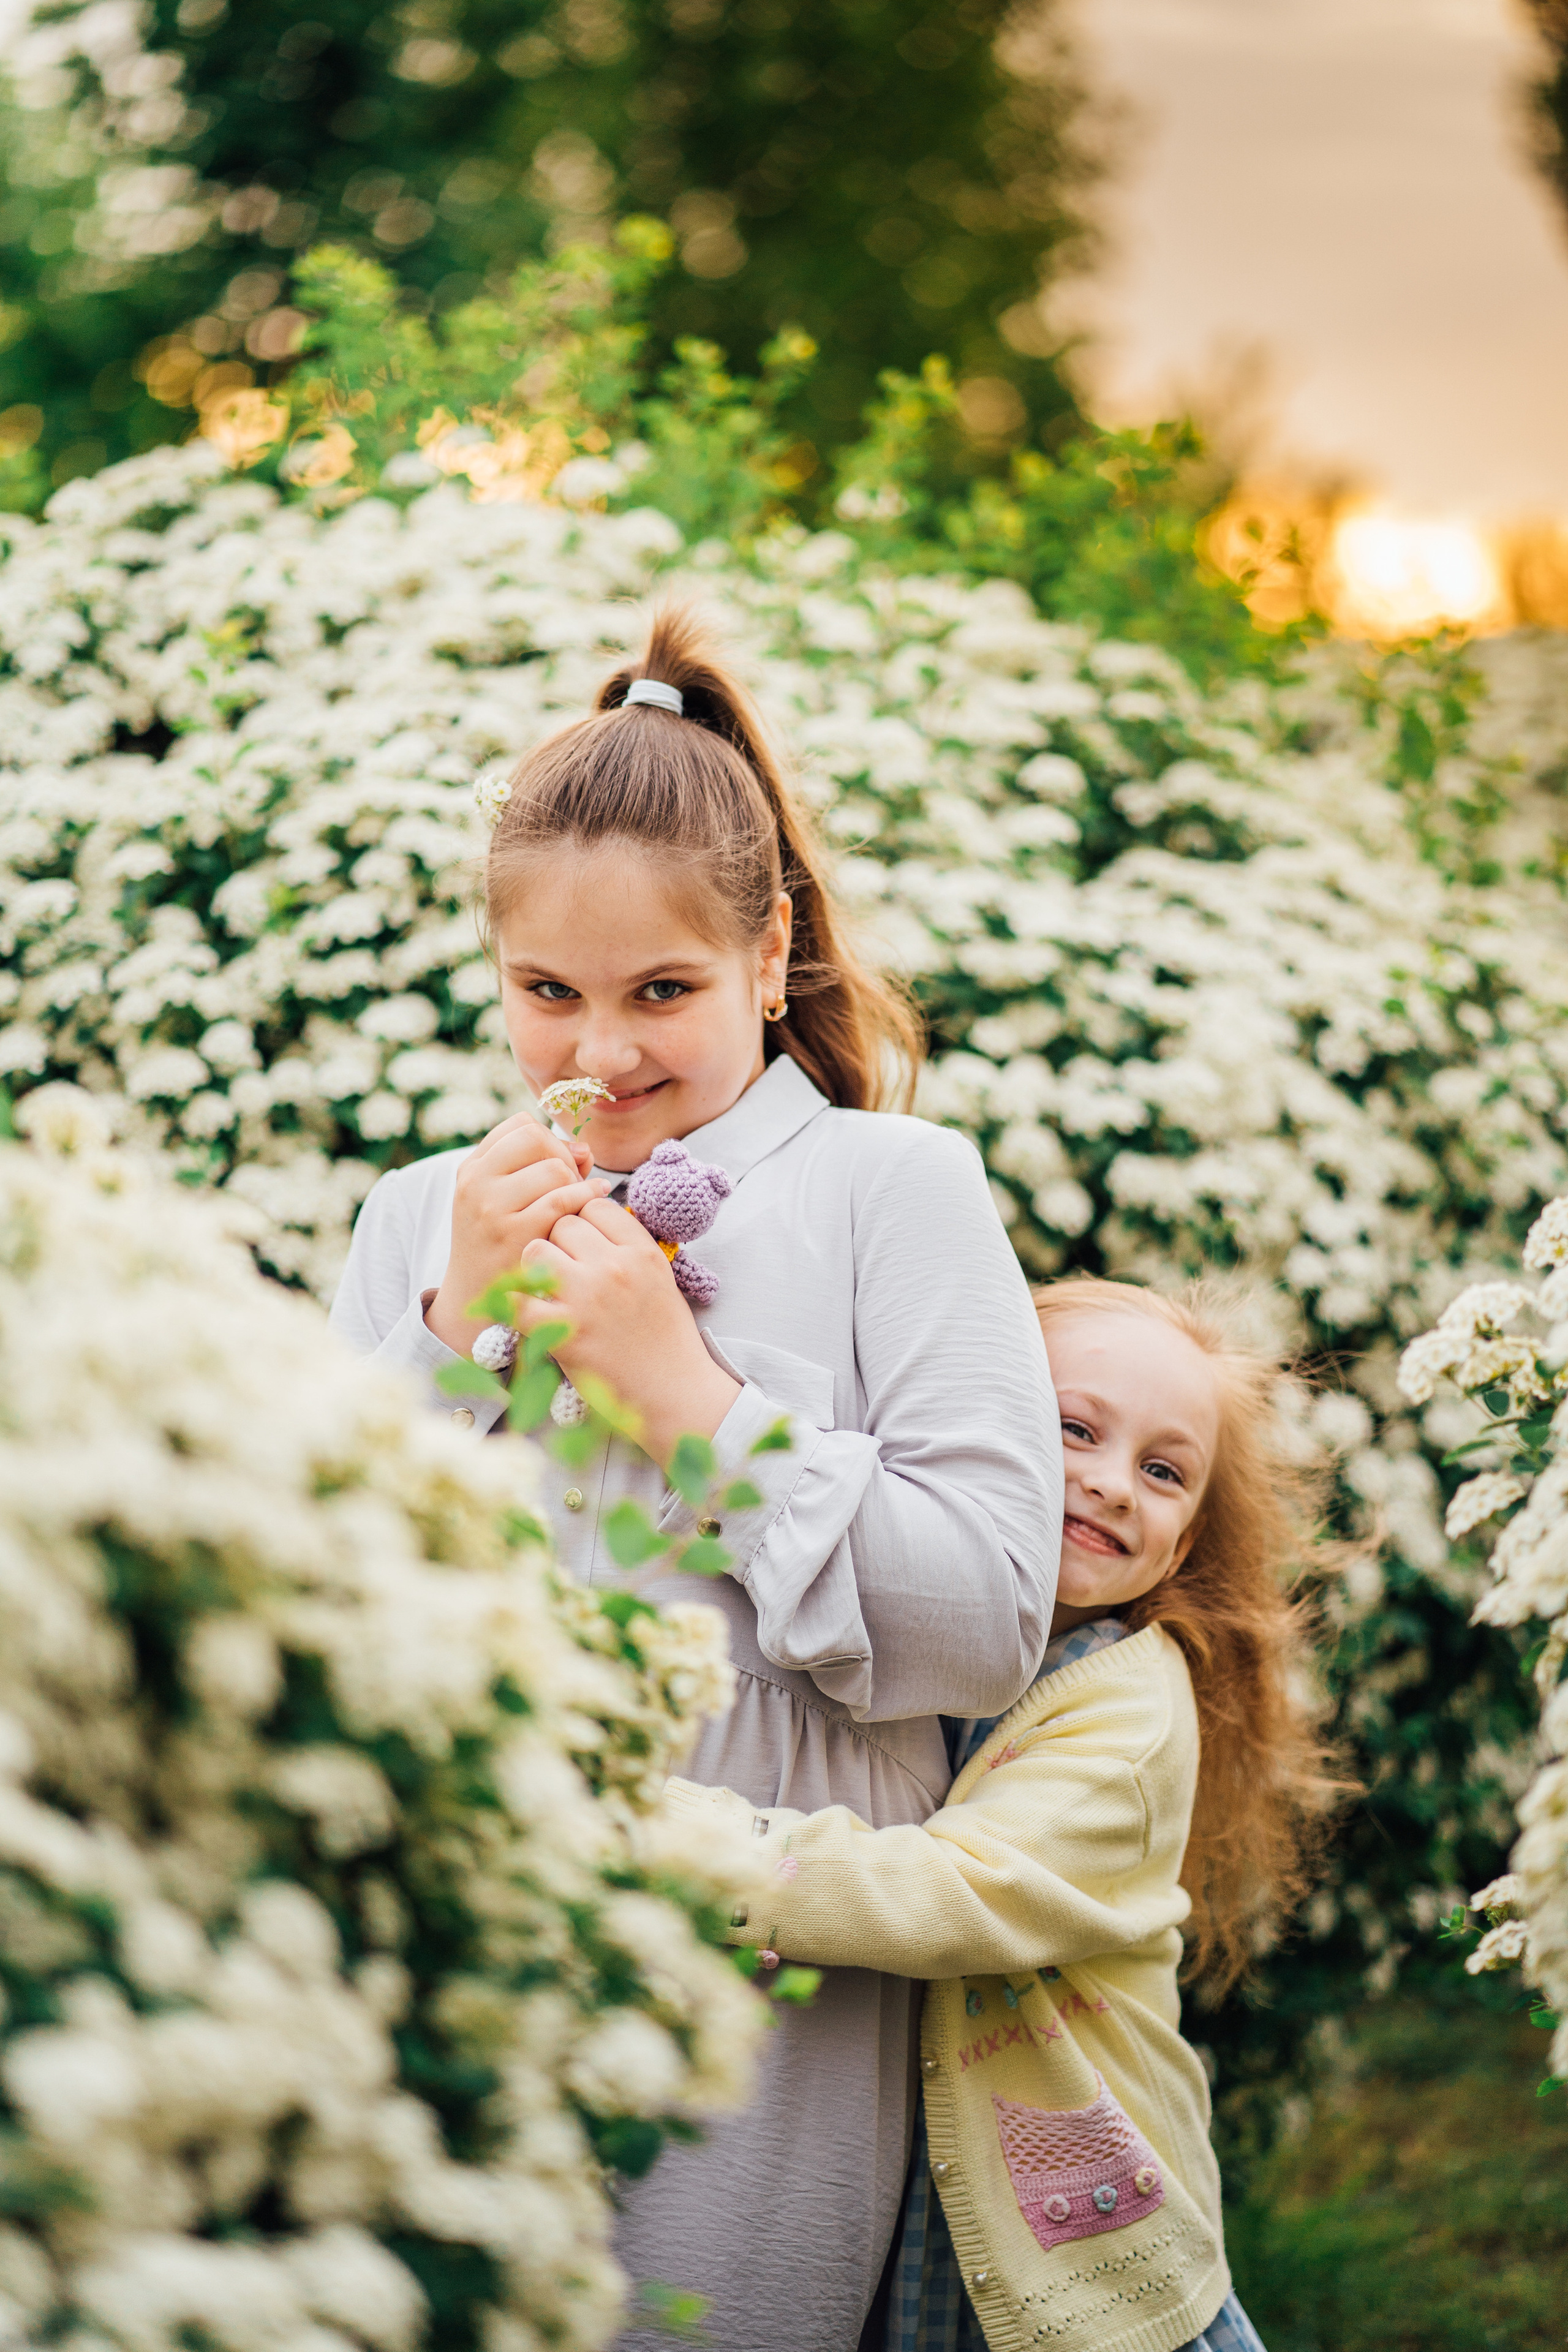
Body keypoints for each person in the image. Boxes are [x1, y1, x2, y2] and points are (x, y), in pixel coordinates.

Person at [329, 611, 1063, 2351]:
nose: (602, 1056)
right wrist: (446, 1341)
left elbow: (986, 1627)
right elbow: (326, 1600)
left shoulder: (897, 1187)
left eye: (662, 991)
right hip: (462, 1912)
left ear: (768, 948)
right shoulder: (414, 1214)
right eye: (546, 995)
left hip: (774, 1964)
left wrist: (684, 1395)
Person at [667, 1275, 1348, 2352]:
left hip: (1091, 2267)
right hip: (944, 2210)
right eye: (1075, 1429)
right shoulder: (952, 1639)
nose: (1115, 1484)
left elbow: (951, 1893)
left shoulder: (1130, 1708)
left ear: (1187, 1543)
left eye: (1165, 1471)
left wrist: (682, 1843)